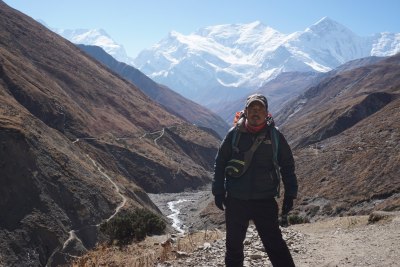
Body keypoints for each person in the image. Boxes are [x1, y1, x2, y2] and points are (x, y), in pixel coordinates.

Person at [212, 93, 298, 267]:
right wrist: (218, 191)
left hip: (265, 200)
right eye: (252, 108)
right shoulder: (233, 134)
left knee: (275, 245)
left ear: (267, 113)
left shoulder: (275, 136)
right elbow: (220, 162)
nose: (256, 112)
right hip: (236, 200)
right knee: (233, 247)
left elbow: (287, 165)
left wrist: (291, 193)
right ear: (246, 111)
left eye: (260, 108)